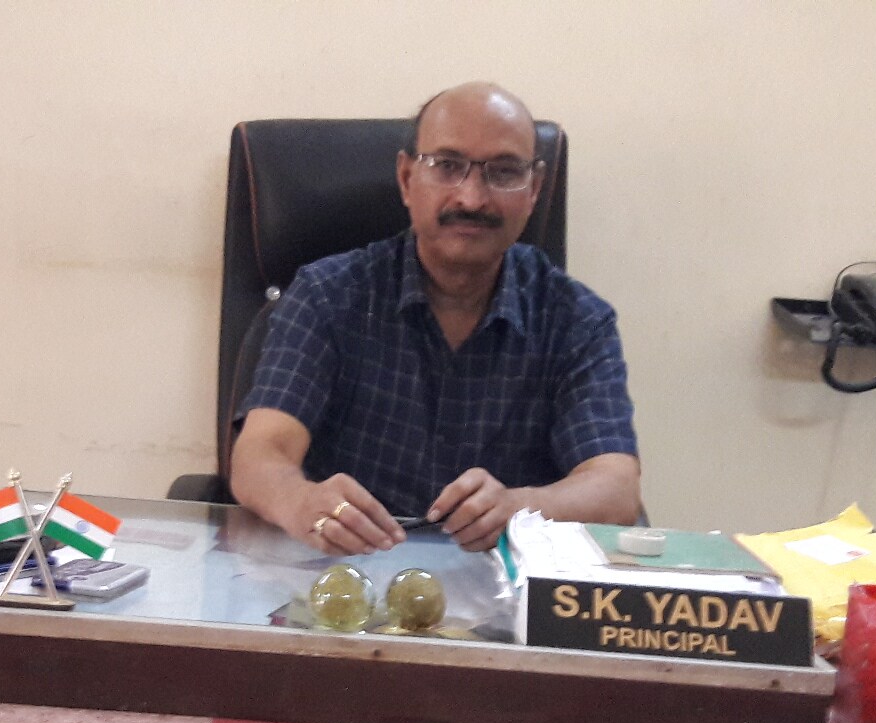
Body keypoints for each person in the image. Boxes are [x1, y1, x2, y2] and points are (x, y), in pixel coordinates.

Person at [229, 81, 641, 554]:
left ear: (534, 190)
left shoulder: (577, 321)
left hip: (503, 582)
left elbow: (616, 487)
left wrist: (518, 506)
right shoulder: (327, 296)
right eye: (447, 166)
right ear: (407, 179)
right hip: (343, 575)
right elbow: (260, 455)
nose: (472, 198)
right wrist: (300, 502)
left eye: (504, 172)